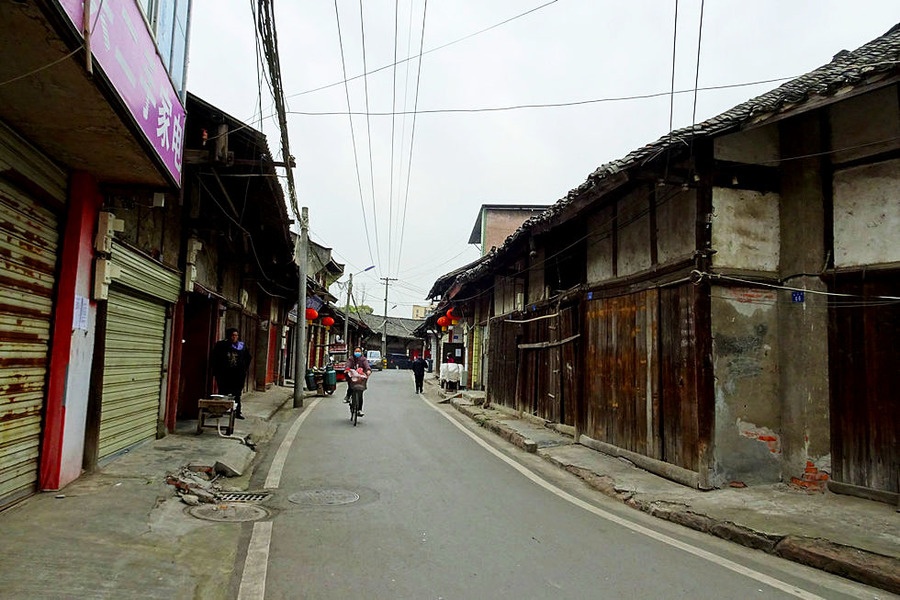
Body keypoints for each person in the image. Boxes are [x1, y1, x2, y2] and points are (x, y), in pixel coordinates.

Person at [211, 328, 251, 419]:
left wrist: (244, 368)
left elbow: (248, 358)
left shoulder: (242, 346)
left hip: (238, 375)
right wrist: (216, 370)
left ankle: (237, 412)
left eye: (236, 335)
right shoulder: (221, 345)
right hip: (224, 374)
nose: (234, 337)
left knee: (237, 394)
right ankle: (219, 411)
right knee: (222, 392)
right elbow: (214, 358)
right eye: (233, 335)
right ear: (228, 336)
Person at [344, 347, 371, 416]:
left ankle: (359, 409)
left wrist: (368, 370)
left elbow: (367, 365)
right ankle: (347, 396)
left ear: (361, 352)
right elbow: (348, 364)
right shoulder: (351, 359)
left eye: (359, 351)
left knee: (360, 393)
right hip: (352, 377)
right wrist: (347, 369)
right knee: (350, 386)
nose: (357, 353)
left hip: (360, 379)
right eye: (356, 351)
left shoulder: (363, 359)